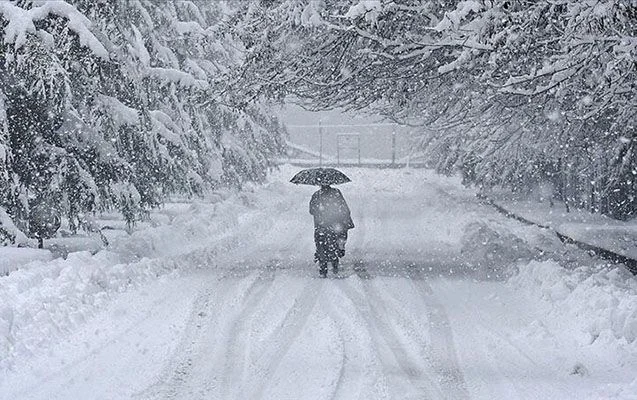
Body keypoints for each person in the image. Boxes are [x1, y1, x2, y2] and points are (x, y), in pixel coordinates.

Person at [309, 184, 354, 277]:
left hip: (321, 225)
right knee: (334, 242)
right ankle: (335, 262)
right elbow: (344, 208)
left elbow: (311, 210)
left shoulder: (316, 195)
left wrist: (320, 212)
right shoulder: (336, 193)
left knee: (320, 244)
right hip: (334, 224)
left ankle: (323, 266)